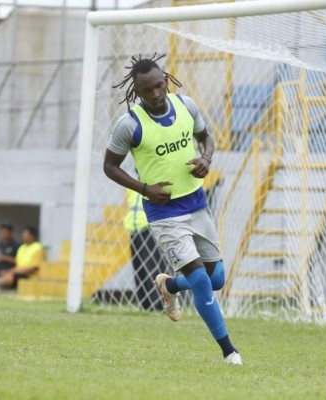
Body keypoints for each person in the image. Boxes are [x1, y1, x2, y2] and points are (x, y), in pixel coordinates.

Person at [104, 54, 242, 365]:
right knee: (202, 281)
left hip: (196, 202)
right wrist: (144, 189)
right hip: (164, 213)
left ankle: (168, 285)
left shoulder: (186, 106)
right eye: (146, 90)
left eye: (158, 86)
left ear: (166, 80)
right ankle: (229, 351)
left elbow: (206, 138)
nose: (154, 94)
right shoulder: (129, 125)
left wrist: (206, 159)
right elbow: (109, 167)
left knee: (216, 277)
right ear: (136, 92)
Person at [123, 187, 167, 312]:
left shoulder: (155, 183)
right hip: (134, 229)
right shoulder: (132, 186)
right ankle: (144, 303)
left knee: (153, 267)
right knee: (139, 268)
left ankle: (158, 303)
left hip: (150, 228)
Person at [0, 226, 43, 294]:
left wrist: (17, 272)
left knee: (12, 276)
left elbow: (35, 267)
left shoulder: (37, 247)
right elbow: (18, 265)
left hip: (29, 275)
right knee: (5, 273)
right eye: (23, 235)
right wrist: (8, 271)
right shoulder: (22, 248)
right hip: (19, 272)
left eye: (26, 235)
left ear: (32, 236)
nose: (23, 237)